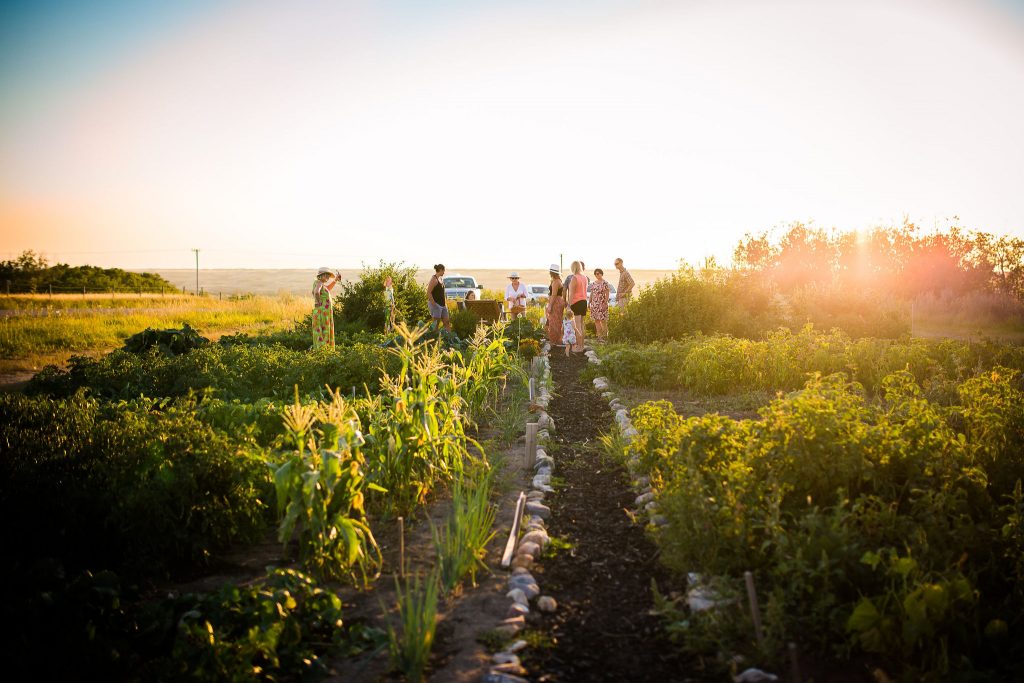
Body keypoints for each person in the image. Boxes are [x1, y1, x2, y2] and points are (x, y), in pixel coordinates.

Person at [312, 266, 340, 349]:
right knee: (324, 331)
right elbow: (316, 292)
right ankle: (325, 351)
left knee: (322, 331)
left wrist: (335, 280)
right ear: (321, 275)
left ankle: (323, 351)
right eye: (326, 275)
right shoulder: (319, 283)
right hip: (322, 312)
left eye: (328, 275)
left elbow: (327, 288)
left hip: (323, 312)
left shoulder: (320, 284)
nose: (327, 277)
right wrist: (318, 302)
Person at [567, 261, 588, 353]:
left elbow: (571, 293)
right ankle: (582, 345)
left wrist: (569, 305)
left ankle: (579, 347)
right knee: (582, 325)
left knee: (577, 325)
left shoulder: (574, 278)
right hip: (584, 302)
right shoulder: (584, 277)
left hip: (576, 302)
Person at [545, 264, 566, 345]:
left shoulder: (556, 282)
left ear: (551, 272)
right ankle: (557, 339)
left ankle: (555, 340)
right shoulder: (558, 280)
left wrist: (550, 305)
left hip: (556, 302)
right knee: (557, 320)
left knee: (554, 321)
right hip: (558, 301)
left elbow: (554, 295)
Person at [426, 264, 452, 331]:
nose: (444, 272)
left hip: (443, 305)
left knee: (447, 322)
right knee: (436, 325)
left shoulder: (441, 278)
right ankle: (435, 340)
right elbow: (428, 292)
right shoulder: (434, 279)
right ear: (440, 270)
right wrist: (434, 305)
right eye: (443, 271)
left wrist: (445, 303)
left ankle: (449, 338)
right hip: (436, 305)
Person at [588, 268, 611, 342]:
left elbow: (607, 294)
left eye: (598, 273)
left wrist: (605, 303)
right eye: (595, 274)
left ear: (601, 273)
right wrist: (589, 302)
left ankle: (605, 336)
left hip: (602, 304)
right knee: (596, 320)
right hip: (594, 304)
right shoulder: (594, 283)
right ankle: (599, 337)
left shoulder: (605, 283)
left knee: (603, 320)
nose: (597, 275)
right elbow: (592, 293)